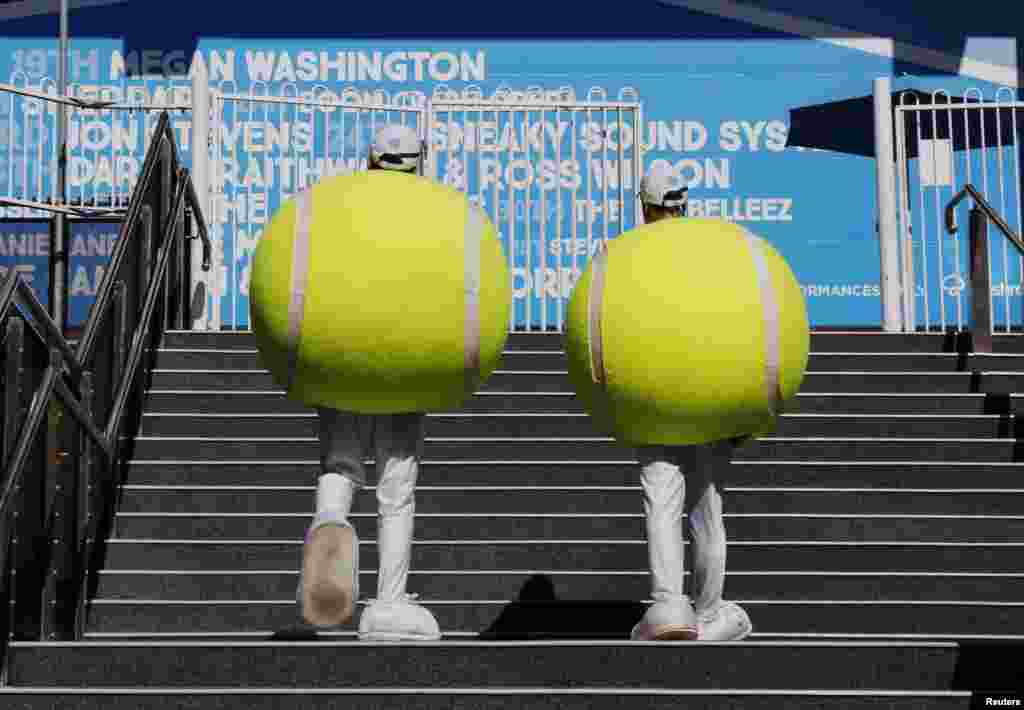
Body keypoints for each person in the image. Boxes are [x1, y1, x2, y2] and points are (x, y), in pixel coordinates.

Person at [296, 123, 441, 642]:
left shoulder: (341, 207)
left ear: (371, 159)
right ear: (416, 163)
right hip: (404, 359)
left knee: (339, 465)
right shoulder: (434, 214)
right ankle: (389, 603)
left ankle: (330, 520)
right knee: (396, 489)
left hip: (341, 354)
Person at [628, 162, 753, 642]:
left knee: (661, 501)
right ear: (685, 204)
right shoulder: (713, 253)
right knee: (707, 508)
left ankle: (668, 606)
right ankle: (707, 612)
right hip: (708, 393)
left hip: (651, 394)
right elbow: (741, 323)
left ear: (645, 207)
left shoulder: (627, 256)